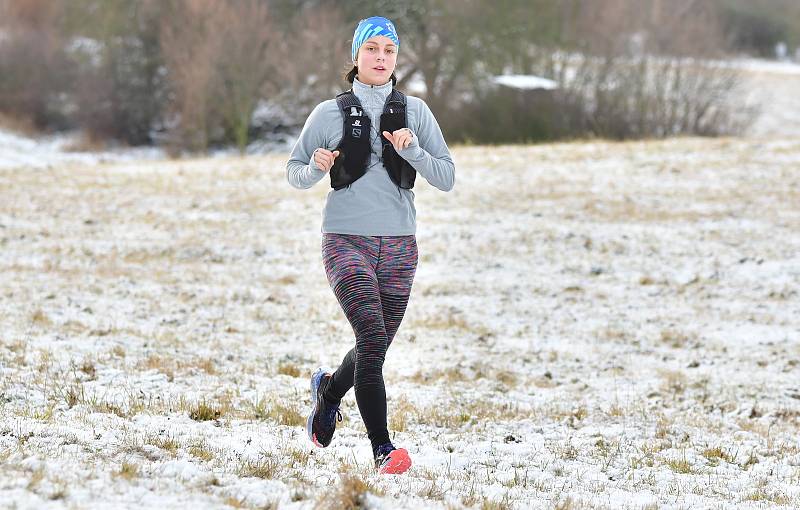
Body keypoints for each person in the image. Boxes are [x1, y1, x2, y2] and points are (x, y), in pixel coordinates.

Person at [286, 15, 455, 475]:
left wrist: (414, 151)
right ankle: (383, 449)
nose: (381, 59)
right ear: (356, 56)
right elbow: (295, 172)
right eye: (372, 49)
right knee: (372, 336)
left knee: (372, 349)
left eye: (389, 51)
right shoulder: (328, 113)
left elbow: (447, 176)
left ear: (396, 59)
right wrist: (316, 166)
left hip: (400, 245)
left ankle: (328, 393)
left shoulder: (416, 112)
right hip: (345, 239)